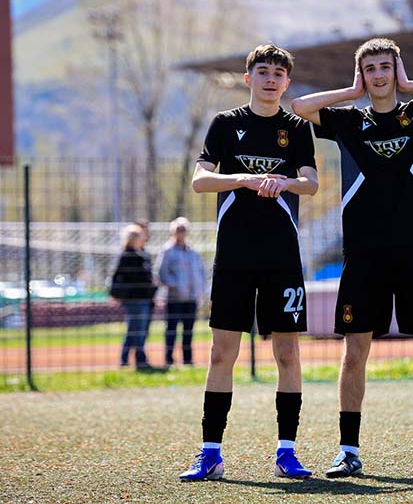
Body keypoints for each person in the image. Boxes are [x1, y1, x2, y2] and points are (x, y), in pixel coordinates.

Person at [291, 37, 413, 477]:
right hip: (363, 253)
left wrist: (410, 84)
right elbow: (301, 106)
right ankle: (348, 451)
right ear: (362, 74)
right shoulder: (347, 120)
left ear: (396, 69)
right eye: (371, 68)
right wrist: (351, 91)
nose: (378, 75)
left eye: (385, 66)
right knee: (354, 351)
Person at [179, 43, 319, 482]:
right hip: (234, 256)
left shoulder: (297, 128)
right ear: (248, 79)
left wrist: (286, 182)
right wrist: (241, 178)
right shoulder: (225, 124)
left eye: (278, 73)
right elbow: (200, 180)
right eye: (263, 72)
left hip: (282, 256)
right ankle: (210, 454)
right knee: (221, 353)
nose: (271, 79)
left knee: (288, 353)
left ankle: (286, 453)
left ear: (287, 82)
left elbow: (312, 183)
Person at [156, 217, 205, 366]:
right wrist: (175, 285)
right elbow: (161, 273)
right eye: (179, 229)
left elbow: (201, 273)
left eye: (184, 229)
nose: (181, 232)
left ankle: (187, 360)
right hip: (174, 297)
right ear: (173, 232)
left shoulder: (193, 252)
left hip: (191, 298)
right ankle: (169, 359)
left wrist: (201, 291)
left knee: (188, 330)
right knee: (172, 329)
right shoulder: (167, 251)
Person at [112, 224, 158, 370]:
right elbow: (124, 277)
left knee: (136, 330)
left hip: (144, 298)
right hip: (134, 299)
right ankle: (137, 359)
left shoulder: (142, 254)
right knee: (136, 330)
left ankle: (128, 359)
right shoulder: (128, 255)